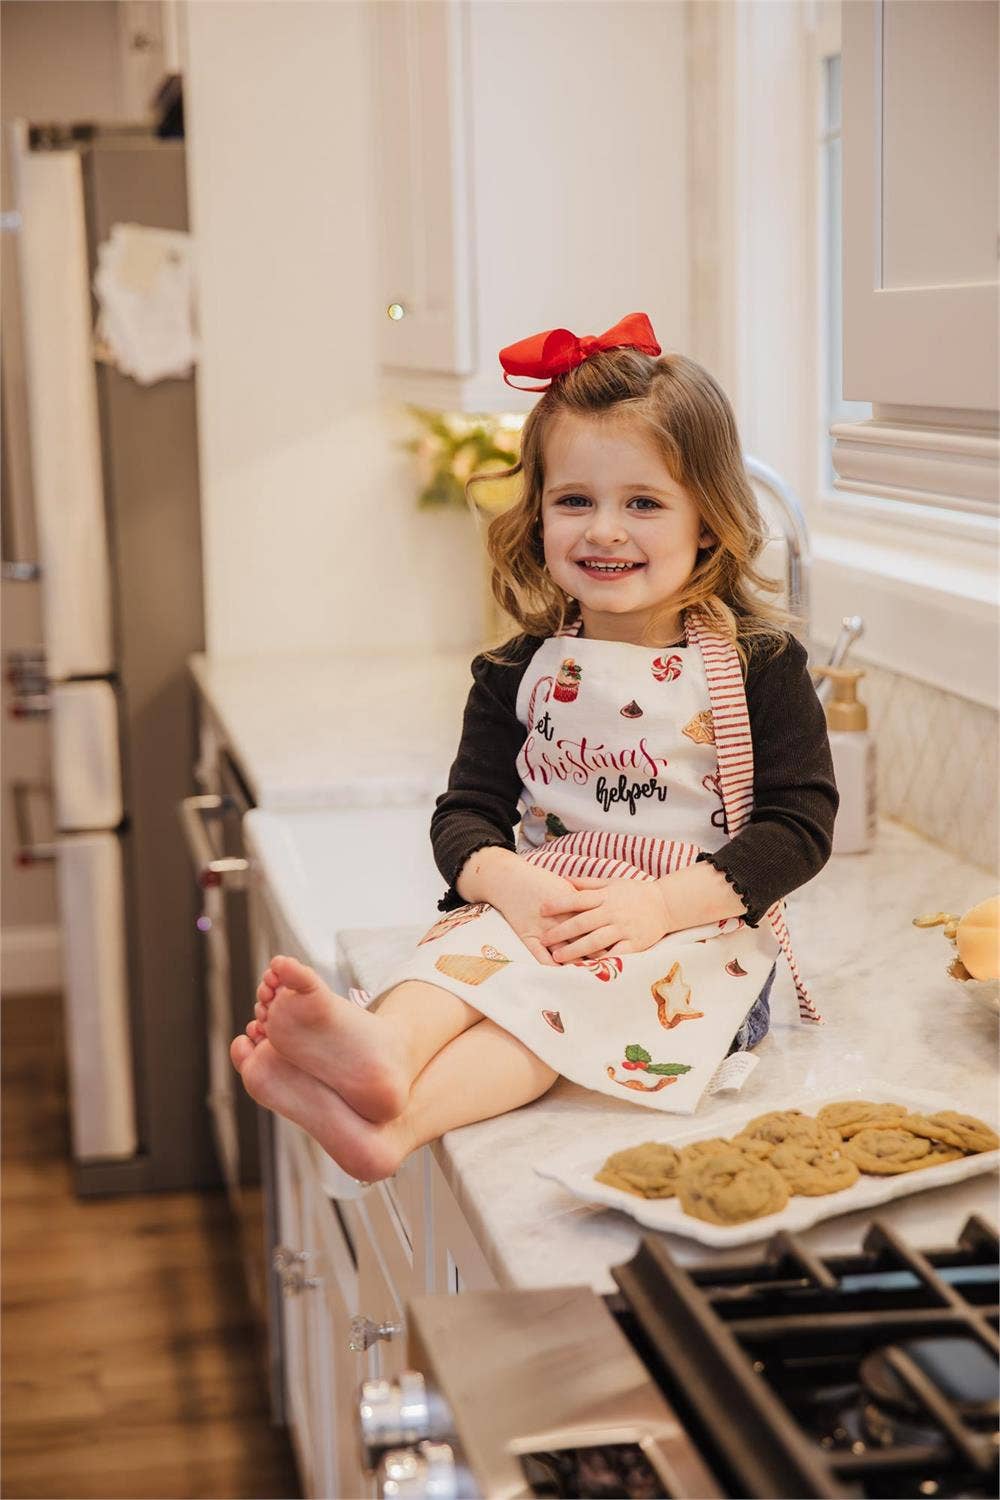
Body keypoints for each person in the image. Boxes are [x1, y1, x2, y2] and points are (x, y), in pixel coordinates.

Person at [230, 313, 838, 1184]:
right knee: (456, 956)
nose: (604, 530)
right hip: (544, 905)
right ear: (539, 513)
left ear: (708, 522)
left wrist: (659, 910)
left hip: (691, 938)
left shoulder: (755, 665)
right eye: (574, 500)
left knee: (548, 1015)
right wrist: (504, 881)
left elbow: (800, 825)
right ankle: (388, 1054)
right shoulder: (515, 669)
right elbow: (466, 813)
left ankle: (402, 1124)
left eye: (643, 503)